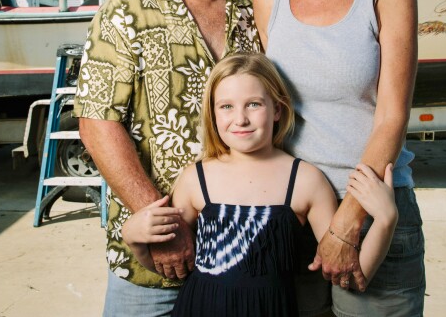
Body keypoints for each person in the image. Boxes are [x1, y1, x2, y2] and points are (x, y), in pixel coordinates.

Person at [74, 0, 262, 316]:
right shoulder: (125, 10)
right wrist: (165, 228)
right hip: (155, 266)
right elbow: (97, 123)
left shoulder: (253, 15)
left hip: (244, 256)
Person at [253, 0, 425, 316]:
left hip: (372, 208)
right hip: (293, 213)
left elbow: (393, 116)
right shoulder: (267, 0)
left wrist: (348, 223)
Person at [122, 52, 398, 316]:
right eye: (227, 106)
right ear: (213, 114)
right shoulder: (196, 178)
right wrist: (134, 239)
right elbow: (172, 267)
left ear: (277, 110)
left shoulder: (305, 181)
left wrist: (386, 219)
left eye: (253, 104)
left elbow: (351, 271)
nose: (240, 118)